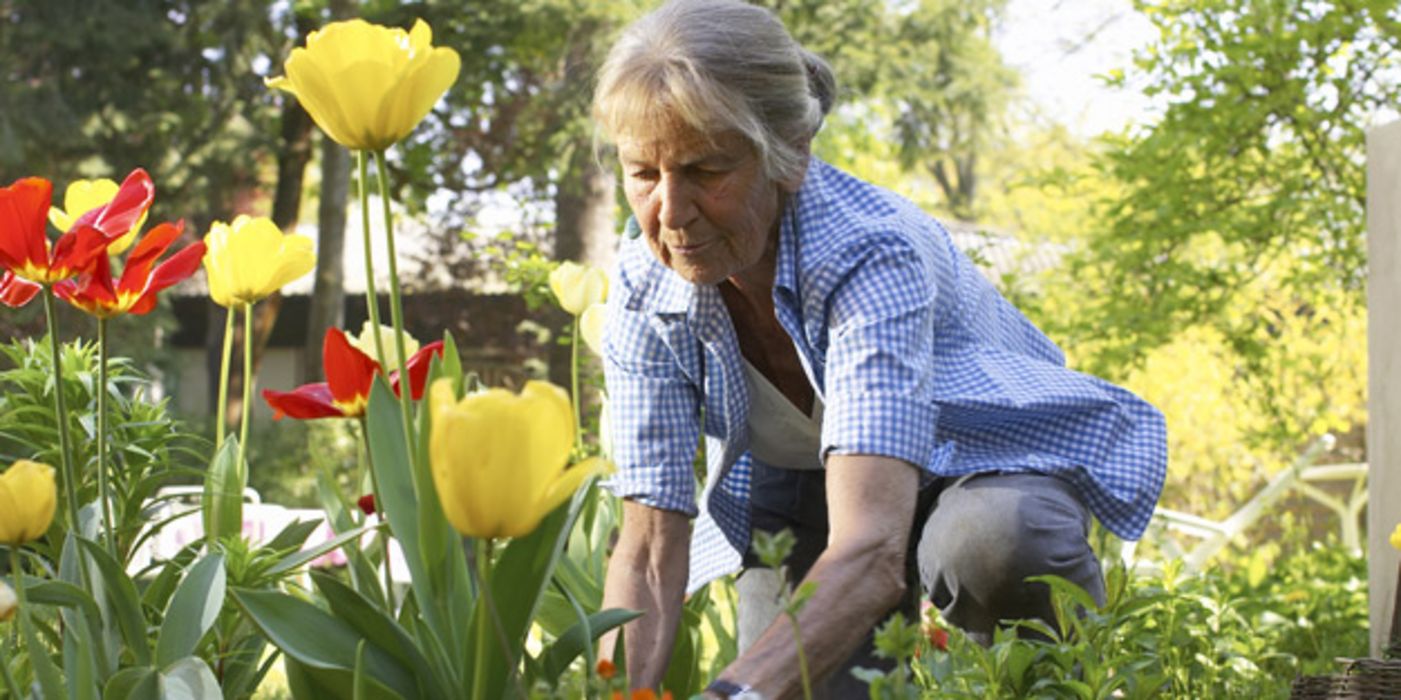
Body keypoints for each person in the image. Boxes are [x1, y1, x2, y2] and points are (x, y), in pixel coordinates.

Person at [593, 1, 1167, 697]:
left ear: (790, 152)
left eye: (706, 170)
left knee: (995, 544)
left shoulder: (867, 252)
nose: (671, 212)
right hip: (810, 479)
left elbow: (868, 550)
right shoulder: (639, 283)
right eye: (644, 174)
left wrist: (731, 695)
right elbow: (650, 545)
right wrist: (621, 692)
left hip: (974, 456)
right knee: (797, 678)